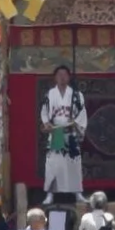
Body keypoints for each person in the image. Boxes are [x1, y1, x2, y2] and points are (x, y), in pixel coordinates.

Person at [40, 68, 87, 200]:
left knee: (73, 162)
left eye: (65, 75)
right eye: (59, 75)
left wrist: (76, 123)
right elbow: (44, 111)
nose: (62, 77)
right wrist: (46, 123)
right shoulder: (50, 94)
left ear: (69, 77)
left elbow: (82, 113)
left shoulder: (77, 95)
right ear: (55, 78)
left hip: (71, 131)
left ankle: (77, 192)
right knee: (53, 163)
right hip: (57, 132)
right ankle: (50, 193)